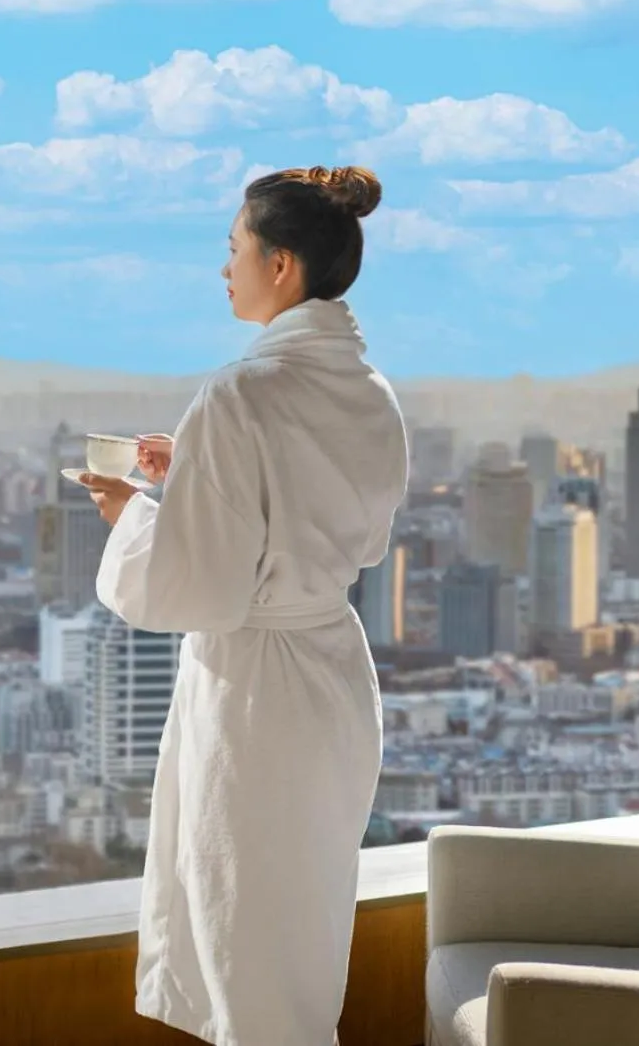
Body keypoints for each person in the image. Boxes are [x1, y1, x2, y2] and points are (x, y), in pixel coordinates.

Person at [80, 165, 408, 1046]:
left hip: (255, 697)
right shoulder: (372, 394)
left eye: (234, 249)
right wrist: (191, 478)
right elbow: (334, 531)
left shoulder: (238, 393)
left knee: (244, 949)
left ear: (281, 266)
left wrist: (132, 516)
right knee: (297, 943)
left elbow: (201, 588)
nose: (223, 267)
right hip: (334, 679)